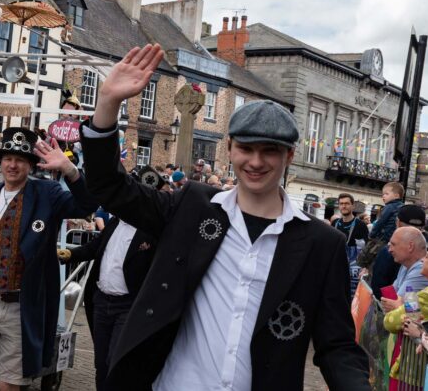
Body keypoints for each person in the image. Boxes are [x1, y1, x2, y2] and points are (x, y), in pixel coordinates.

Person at [78, 44, 369, 390]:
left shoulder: (322, 244)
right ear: (229, 148)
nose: (256, 162)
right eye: (246, 149)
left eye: (269, 151)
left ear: (289, 155)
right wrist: (108, 102)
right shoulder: (191, 208)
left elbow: (336, 345)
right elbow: (110, 186)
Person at [0, 126, 97, 390]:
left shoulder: (47, 194)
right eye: (8, 159)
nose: (13, 165)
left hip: (21, 305)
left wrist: (70, 170)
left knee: (9, 385)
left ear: (30, 165)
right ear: (1, 162)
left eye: (20, 160)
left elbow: (86, 206)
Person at [59, 208, 157, 391]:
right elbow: (94, 247)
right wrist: (71, 254)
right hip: (102, 303)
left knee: (116, 362)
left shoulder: (150, 229)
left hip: (128, 306)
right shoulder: (113, 224)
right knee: (101, 363)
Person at [387, 240, 428, 386]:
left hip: (415, 371)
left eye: (427, 257)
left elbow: (391, 321)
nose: (422, 260)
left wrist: (401, 305)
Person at [369, 203, 428, 292]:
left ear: (398, 222)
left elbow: (379, 288)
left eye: (393, 244)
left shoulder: (420, 267)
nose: (390, 249)